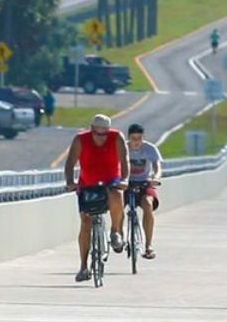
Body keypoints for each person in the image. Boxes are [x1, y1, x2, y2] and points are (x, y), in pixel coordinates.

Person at [63, 113, 128, 282]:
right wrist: (70, 182)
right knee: (86, 221)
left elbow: (124, 159)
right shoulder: (80, 139)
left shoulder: (116, 137)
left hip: (111, 179)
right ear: (91, 130)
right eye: (98, 134)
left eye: (105, 133)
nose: (101, 137)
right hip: (88, 182)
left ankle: (115, 231)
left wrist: (125, 179)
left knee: (117, 193)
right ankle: (84, 266)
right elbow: (70, 162)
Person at [124, 122, 164, 259]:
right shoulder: (122, 148)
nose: (136, 142)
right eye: (133, 139)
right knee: (115, 203)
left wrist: (156, 177)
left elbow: (157, 166)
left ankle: (148, 245)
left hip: (144, 183)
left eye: (139, 139)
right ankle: (117, 234)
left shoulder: (150, 149)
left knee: (148, 204)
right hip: (126, 183)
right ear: (129, 138)